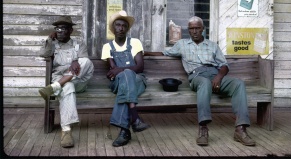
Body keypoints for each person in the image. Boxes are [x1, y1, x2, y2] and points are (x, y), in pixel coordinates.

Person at [145, 16, 256, 146]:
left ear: (203, 29)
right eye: (192, 29)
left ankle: (240, 129)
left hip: (215, 75)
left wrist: (219, 77)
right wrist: (145, 53)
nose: (195, 31)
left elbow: (224, 66)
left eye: (197, 28)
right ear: (189, 30)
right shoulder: (181, 45)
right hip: (196, 76)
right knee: (204, 82)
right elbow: (164, 53)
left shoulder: (213, 45)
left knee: (238, 84)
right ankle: (203, 128)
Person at [38, 15, 94, 148]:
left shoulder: (78, 44)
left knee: (86, 61)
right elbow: (43, 54)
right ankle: (66, 131)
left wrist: (76, 60)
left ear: (70, 31)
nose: (60, 31)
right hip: (63, 81)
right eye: (57, 28)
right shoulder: (53, 44)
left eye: (64, 28)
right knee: (67, 86)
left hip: (78, 81)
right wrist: (49, 40)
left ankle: (54, 87)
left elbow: (84, 63)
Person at [101, 10, 150, 147]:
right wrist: (121, 71)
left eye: (124, 25)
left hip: (138, 80)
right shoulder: (107, 47)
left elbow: (140, 67)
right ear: (113, 28)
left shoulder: (135, 43)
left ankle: (124, 131)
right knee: (126, 75)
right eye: (118, 25)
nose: (121, 28)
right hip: (117, 82)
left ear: (127, 28)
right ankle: (135, 118)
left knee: (127, 76)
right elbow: (113, 71)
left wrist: (120, 70)